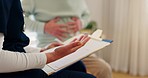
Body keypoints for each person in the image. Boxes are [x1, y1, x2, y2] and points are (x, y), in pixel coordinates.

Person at [0, 0, 96, 78]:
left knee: (78, 66)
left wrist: (43, 50)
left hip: (61, 47)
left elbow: (9, 44)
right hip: (10, 68)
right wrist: (51, 55)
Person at [22, 0, 112, 78]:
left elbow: (86, 15)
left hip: (78, 47)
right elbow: (20, 18)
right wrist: (44, 27)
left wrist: (81, 23)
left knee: (104, 68)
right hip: (49, 47)